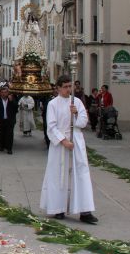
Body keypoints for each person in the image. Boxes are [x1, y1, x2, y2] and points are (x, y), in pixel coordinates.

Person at [40, 74, 98, 224]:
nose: (68, 89)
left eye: (69, 86)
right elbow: (51, 126)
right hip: (60, 144)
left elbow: (83, 122)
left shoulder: (77, 102)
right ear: (58, 88)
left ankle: (85, 211)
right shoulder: (53, 104)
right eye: (65, 87)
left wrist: (76, 113)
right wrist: (63, 141)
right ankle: (58, 208)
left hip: (77, 141)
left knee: (80, 174)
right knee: (58, 175)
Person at [0, 86, 18, 154]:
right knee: (3, 133)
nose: (4, 94)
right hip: (1, 120)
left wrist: (12, 101)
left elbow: (16, 109)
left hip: (10, 120)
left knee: (10, 134)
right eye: (2, 92)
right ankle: (2, 145)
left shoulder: (11, 99)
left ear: (8, 93)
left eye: (5, 92)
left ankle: (9, 148)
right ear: (0, 93)